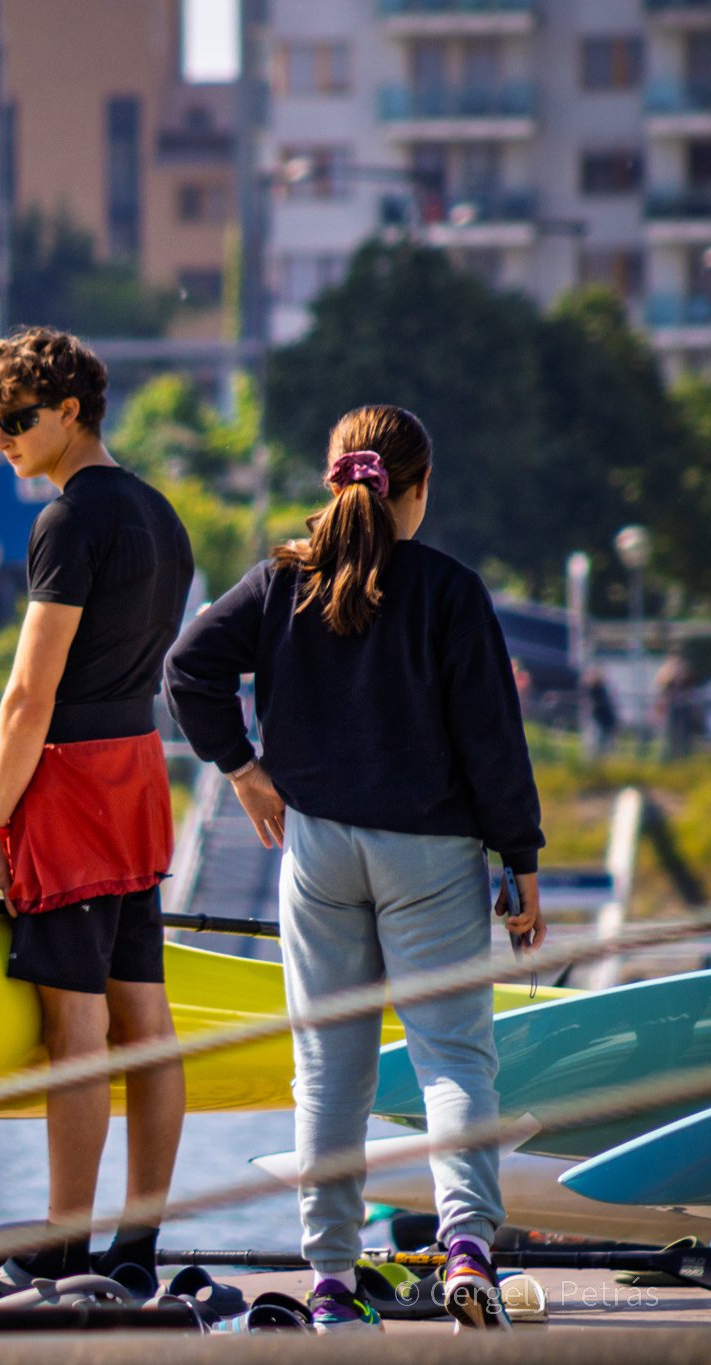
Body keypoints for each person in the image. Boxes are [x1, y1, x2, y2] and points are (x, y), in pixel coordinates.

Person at [165, 405, 546, 1334]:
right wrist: (522, 862)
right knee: (454, 1057)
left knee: (328, 1072)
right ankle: (465, 1248)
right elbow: (492, 741)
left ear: (334, 479)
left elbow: (186, 669)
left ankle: (331, 1281)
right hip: (431, 854)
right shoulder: (451, 593)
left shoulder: (278, 583)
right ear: (415, 490)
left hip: (318, 850)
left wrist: (245, 771)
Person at [0, 326, 193, 1285]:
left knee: (77, 1030)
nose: (4, 439)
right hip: (137, 770)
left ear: (70, 412)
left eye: (16, 420)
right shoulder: (163, 516)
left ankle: (61, 1250)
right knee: (149, 1021)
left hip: (71, 786)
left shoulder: (68, 522)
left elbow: (27, 696)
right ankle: (137, 1249)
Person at [655, 653, 698, 762]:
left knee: (684, 737)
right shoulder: (668, 681)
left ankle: (683, 757)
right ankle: (671, 758)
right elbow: (662, 695)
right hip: (672, 712)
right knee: (670, 737)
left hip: (683, 712)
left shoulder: (687, 680)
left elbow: (691, 695)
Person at [582, 666, 617, 762]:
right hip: (601, 721)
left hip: (604, 721)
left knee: (601, 744)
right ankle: (597, 761)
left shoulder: (597, 689)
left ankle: (599, 762)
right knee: (599, 744)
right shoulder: (596, 689)